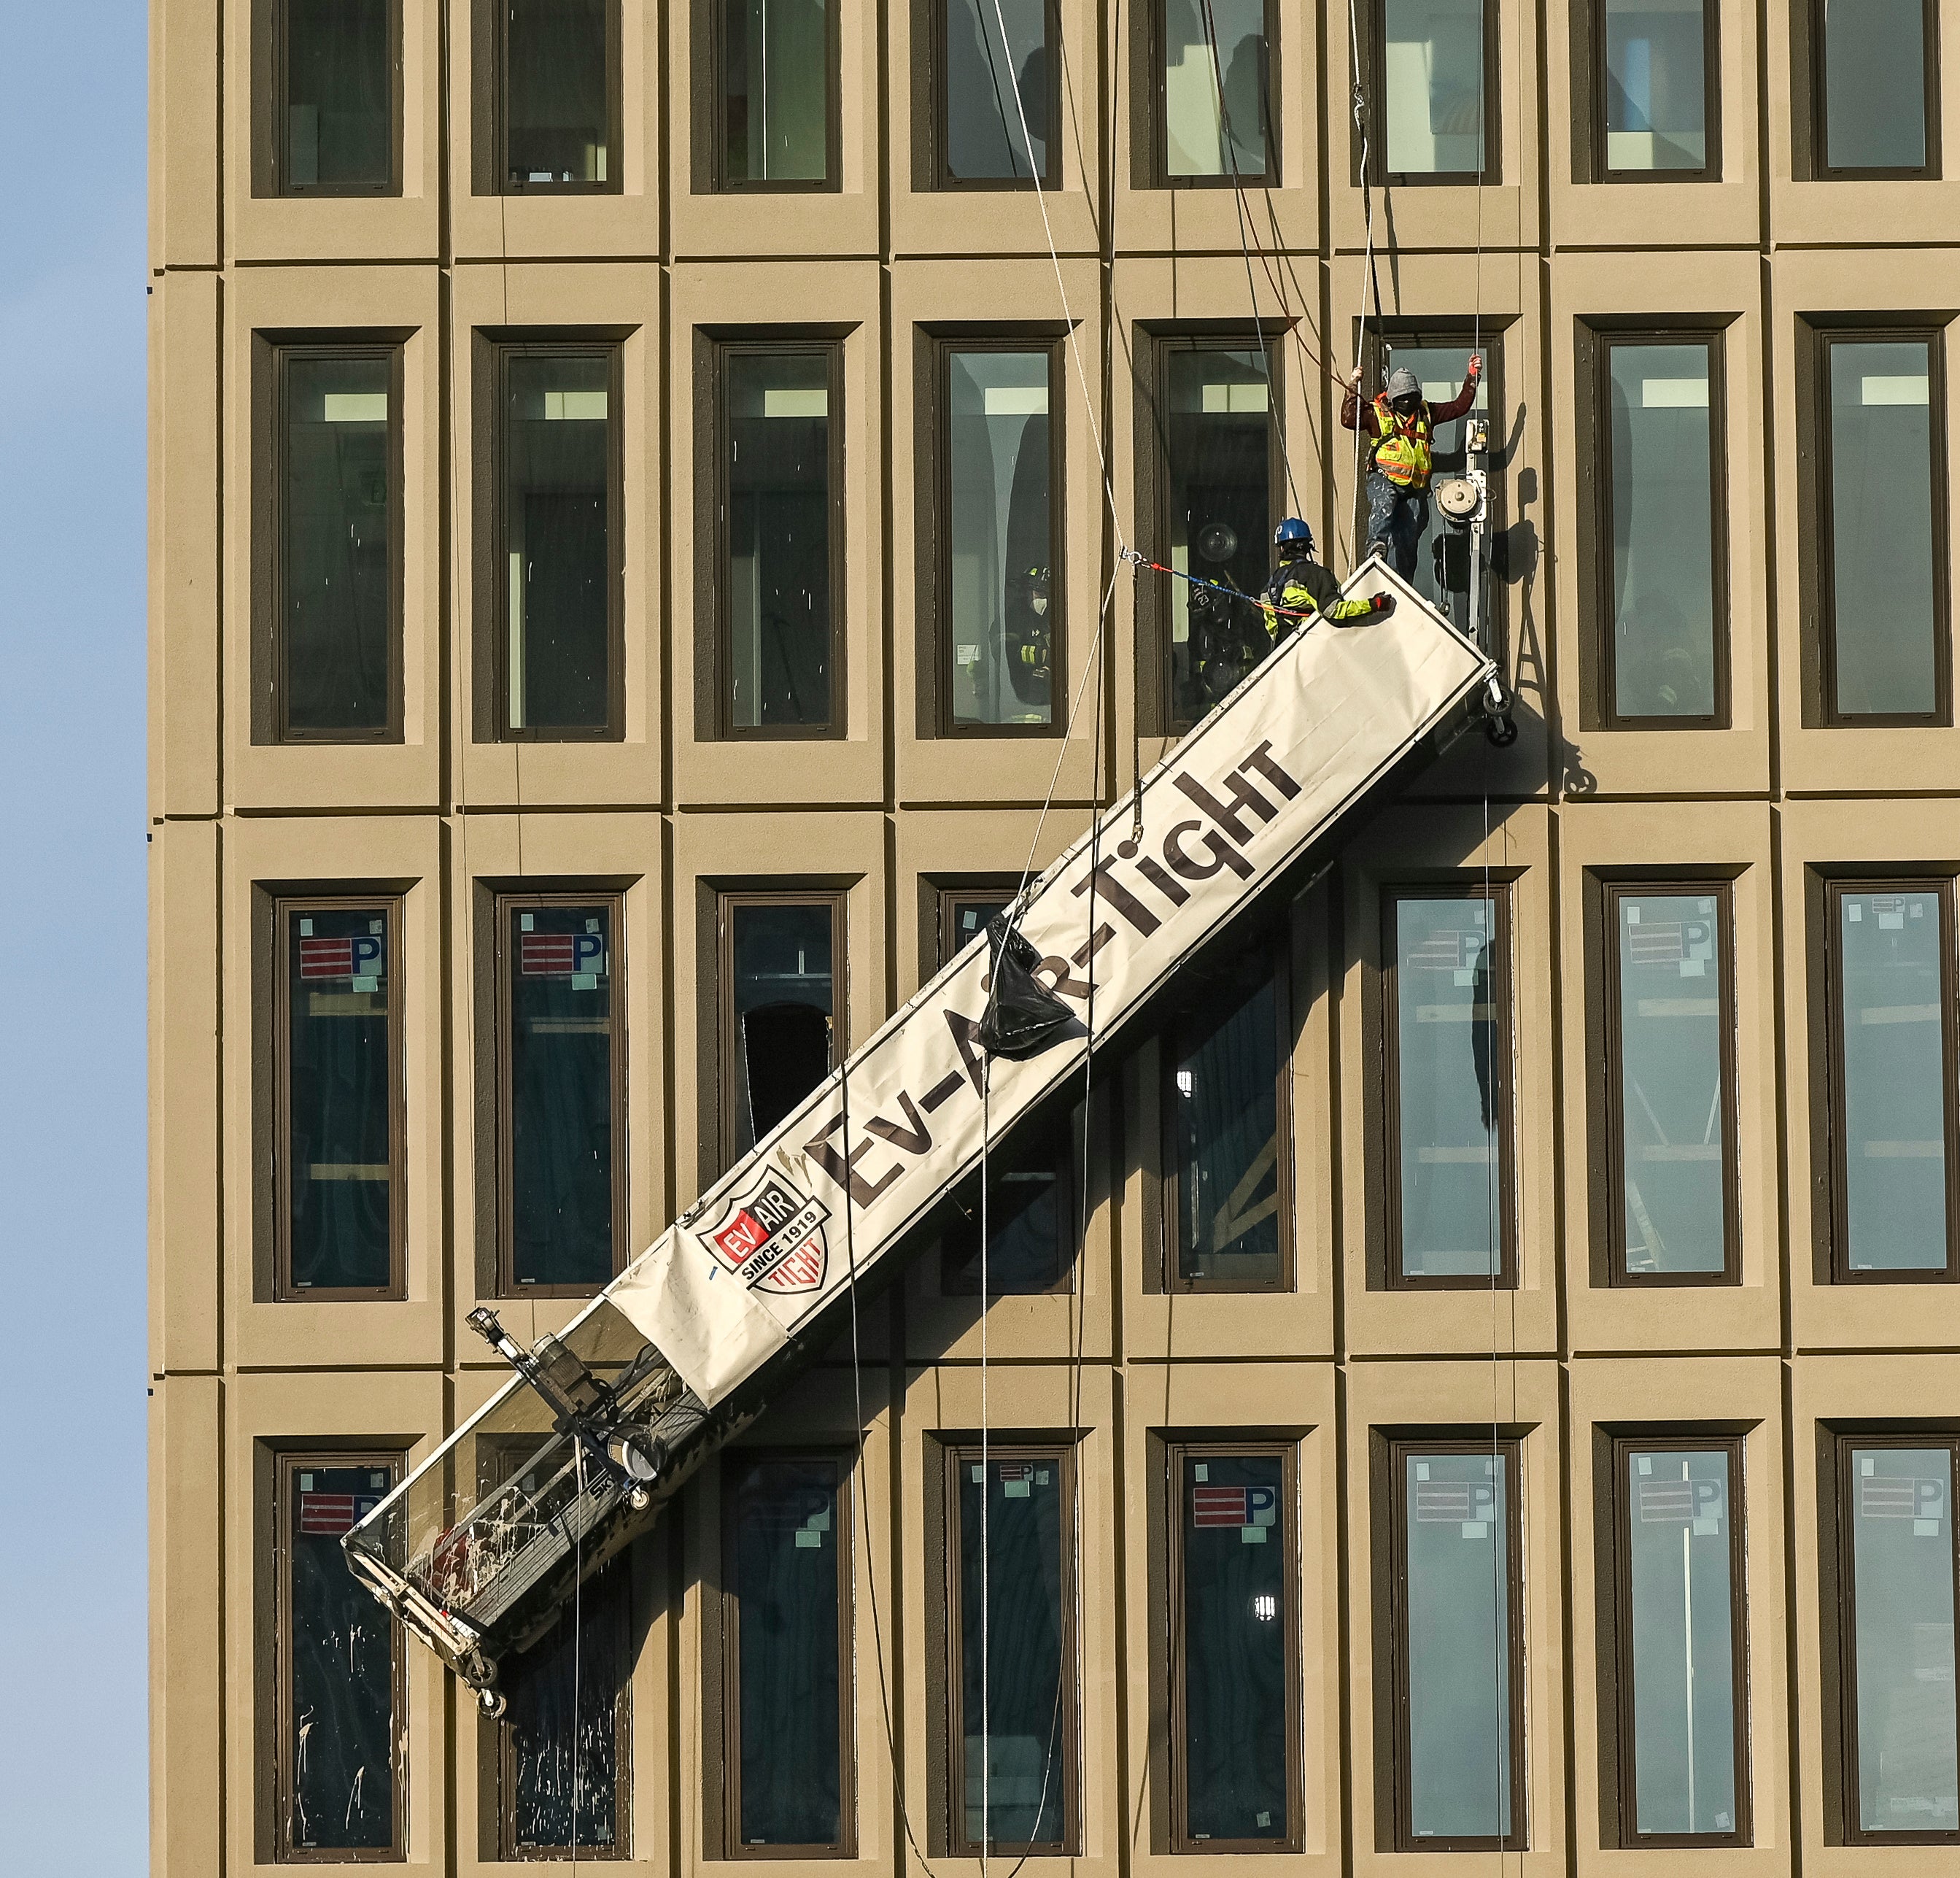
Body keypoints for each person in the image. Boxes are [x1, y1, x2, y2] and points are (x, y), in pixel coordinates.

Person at [1341, 354, 1483, 579]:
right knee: (1384, 505)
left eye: (1412, 398)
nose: (1407, 403)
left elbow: (1459, 407)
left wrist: (1472, 377)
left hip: (1415, 488)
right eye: (1403, 399)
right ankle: (1376, 548)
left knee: (1409, 535)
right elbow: (1349, 419)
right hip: (1384, 478)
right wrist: (1352, 387)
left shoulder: (1426, 414)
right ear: (1393, 399)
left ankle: (1403, 582)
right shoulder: (1377, 414)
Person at [1258, 517, 1392, 645]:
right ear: (1308, 545)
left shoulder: (1269, 587)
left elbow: (1273, 630)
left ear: (1282, 548)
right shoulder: (1315, 575)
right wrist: (1374, 605)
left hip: (1287, 660)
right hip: (1313, 652)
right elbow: (1335, 613)